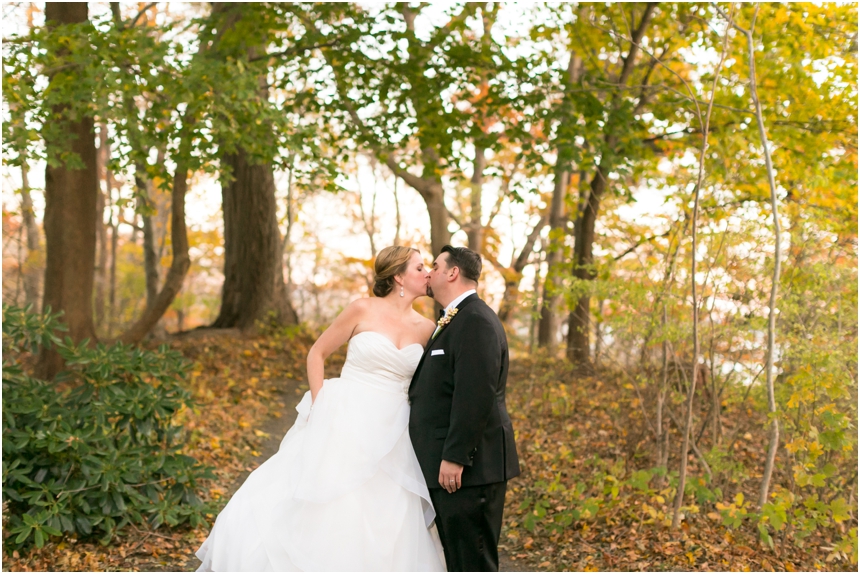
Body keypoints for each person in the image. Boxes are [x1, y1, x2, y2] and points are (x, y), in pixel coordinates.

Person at [196, 246, 446, 571]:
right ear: (398, 276)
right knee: (335, 500)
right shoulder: (361, 309)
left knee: (388, 510)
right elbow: (317, 354)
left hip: (395, 426)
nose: (427, 273)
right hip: (346, 415)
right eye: (419, 267)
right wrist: (321, 405)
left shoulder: (428, 328)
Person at [408, 245, 521, 572]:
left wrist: (455, 456)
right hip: (455, 470)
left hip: (470, 470)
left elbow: (476, 394)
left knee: (472, 562)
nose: (430, 272)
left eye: (435, 266)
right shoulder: (457, 318)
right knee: (457, 561)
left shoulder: (476, 321)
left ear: (452, 272)